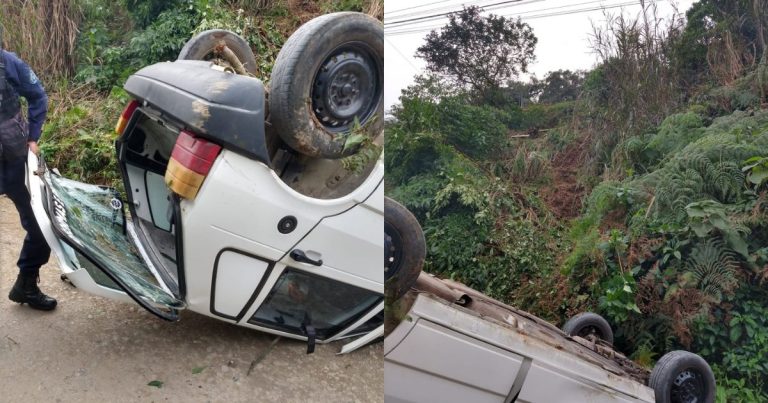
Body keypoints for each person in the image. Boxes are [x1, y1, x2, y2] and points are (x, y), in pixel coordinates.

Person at [0, 27, 56, 310]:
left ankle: (26, 284)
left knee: (40, 222)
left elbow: (38, 96)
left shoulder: (9, 63)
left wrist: (33, 137)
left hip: (12, 158)